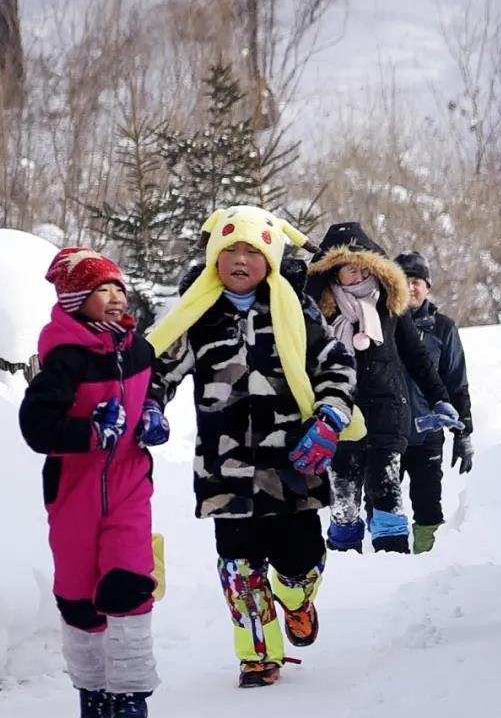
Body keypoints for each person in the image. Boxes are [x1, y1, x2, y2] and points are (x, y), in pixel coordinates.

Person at [147, 205, 361, 689]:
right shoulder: (197, 315)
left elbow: (335, 364)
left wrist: (330, 416)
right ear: (214, 258)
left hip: (293, 465)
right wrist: (149, 407)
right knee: (239, 571)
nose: (240, 260)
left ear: (270, 259)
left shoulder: (294, 309)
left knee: (301, 564)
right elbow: (158, 368)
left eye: (252, 251)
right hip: (225, 471)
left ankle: (297, 600)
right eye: (230, 250)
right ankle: (258, 656)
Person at [19, 248, 166, 718]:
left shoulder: (138, 350)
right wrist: (89, 432)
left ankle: (131, 700)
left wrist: (153, 413)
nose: (115, 296)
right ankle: (94, 697)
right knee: (79, 598)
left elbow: (154, 386)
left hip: (129, 483)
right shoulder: (65, 360)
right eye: (101, 289)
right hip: (73, 492)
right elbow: (36, 426)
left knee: (129, 582)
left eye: (117, 287)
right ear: (76, 300)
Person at [306, 223, 461, 554]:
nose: (360, 273)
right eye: (350, 268)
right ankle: (346, 561)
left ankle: (394, 560)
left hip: (387, 411)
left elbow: (417, 357)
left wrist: (439, 398)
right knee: (344, 500)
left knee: (387, 490)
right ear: (334, 270)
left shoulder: (389, 302)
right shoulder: (317, 308)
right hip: (342, 415)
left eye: (365, 266)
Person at [395, 250, 474, 553]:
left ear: (427, 286)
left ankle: (426, 564)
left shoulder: (443, 328)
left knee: (428, 508)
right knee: (381, 506)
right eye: (404, 280)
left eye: (417, 281)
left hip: (427, 435)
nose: (410, 287)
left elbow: (456, 382)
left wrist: (463, 433)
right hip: (386, 435)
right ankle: (384, 565)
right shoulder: (380, 323)